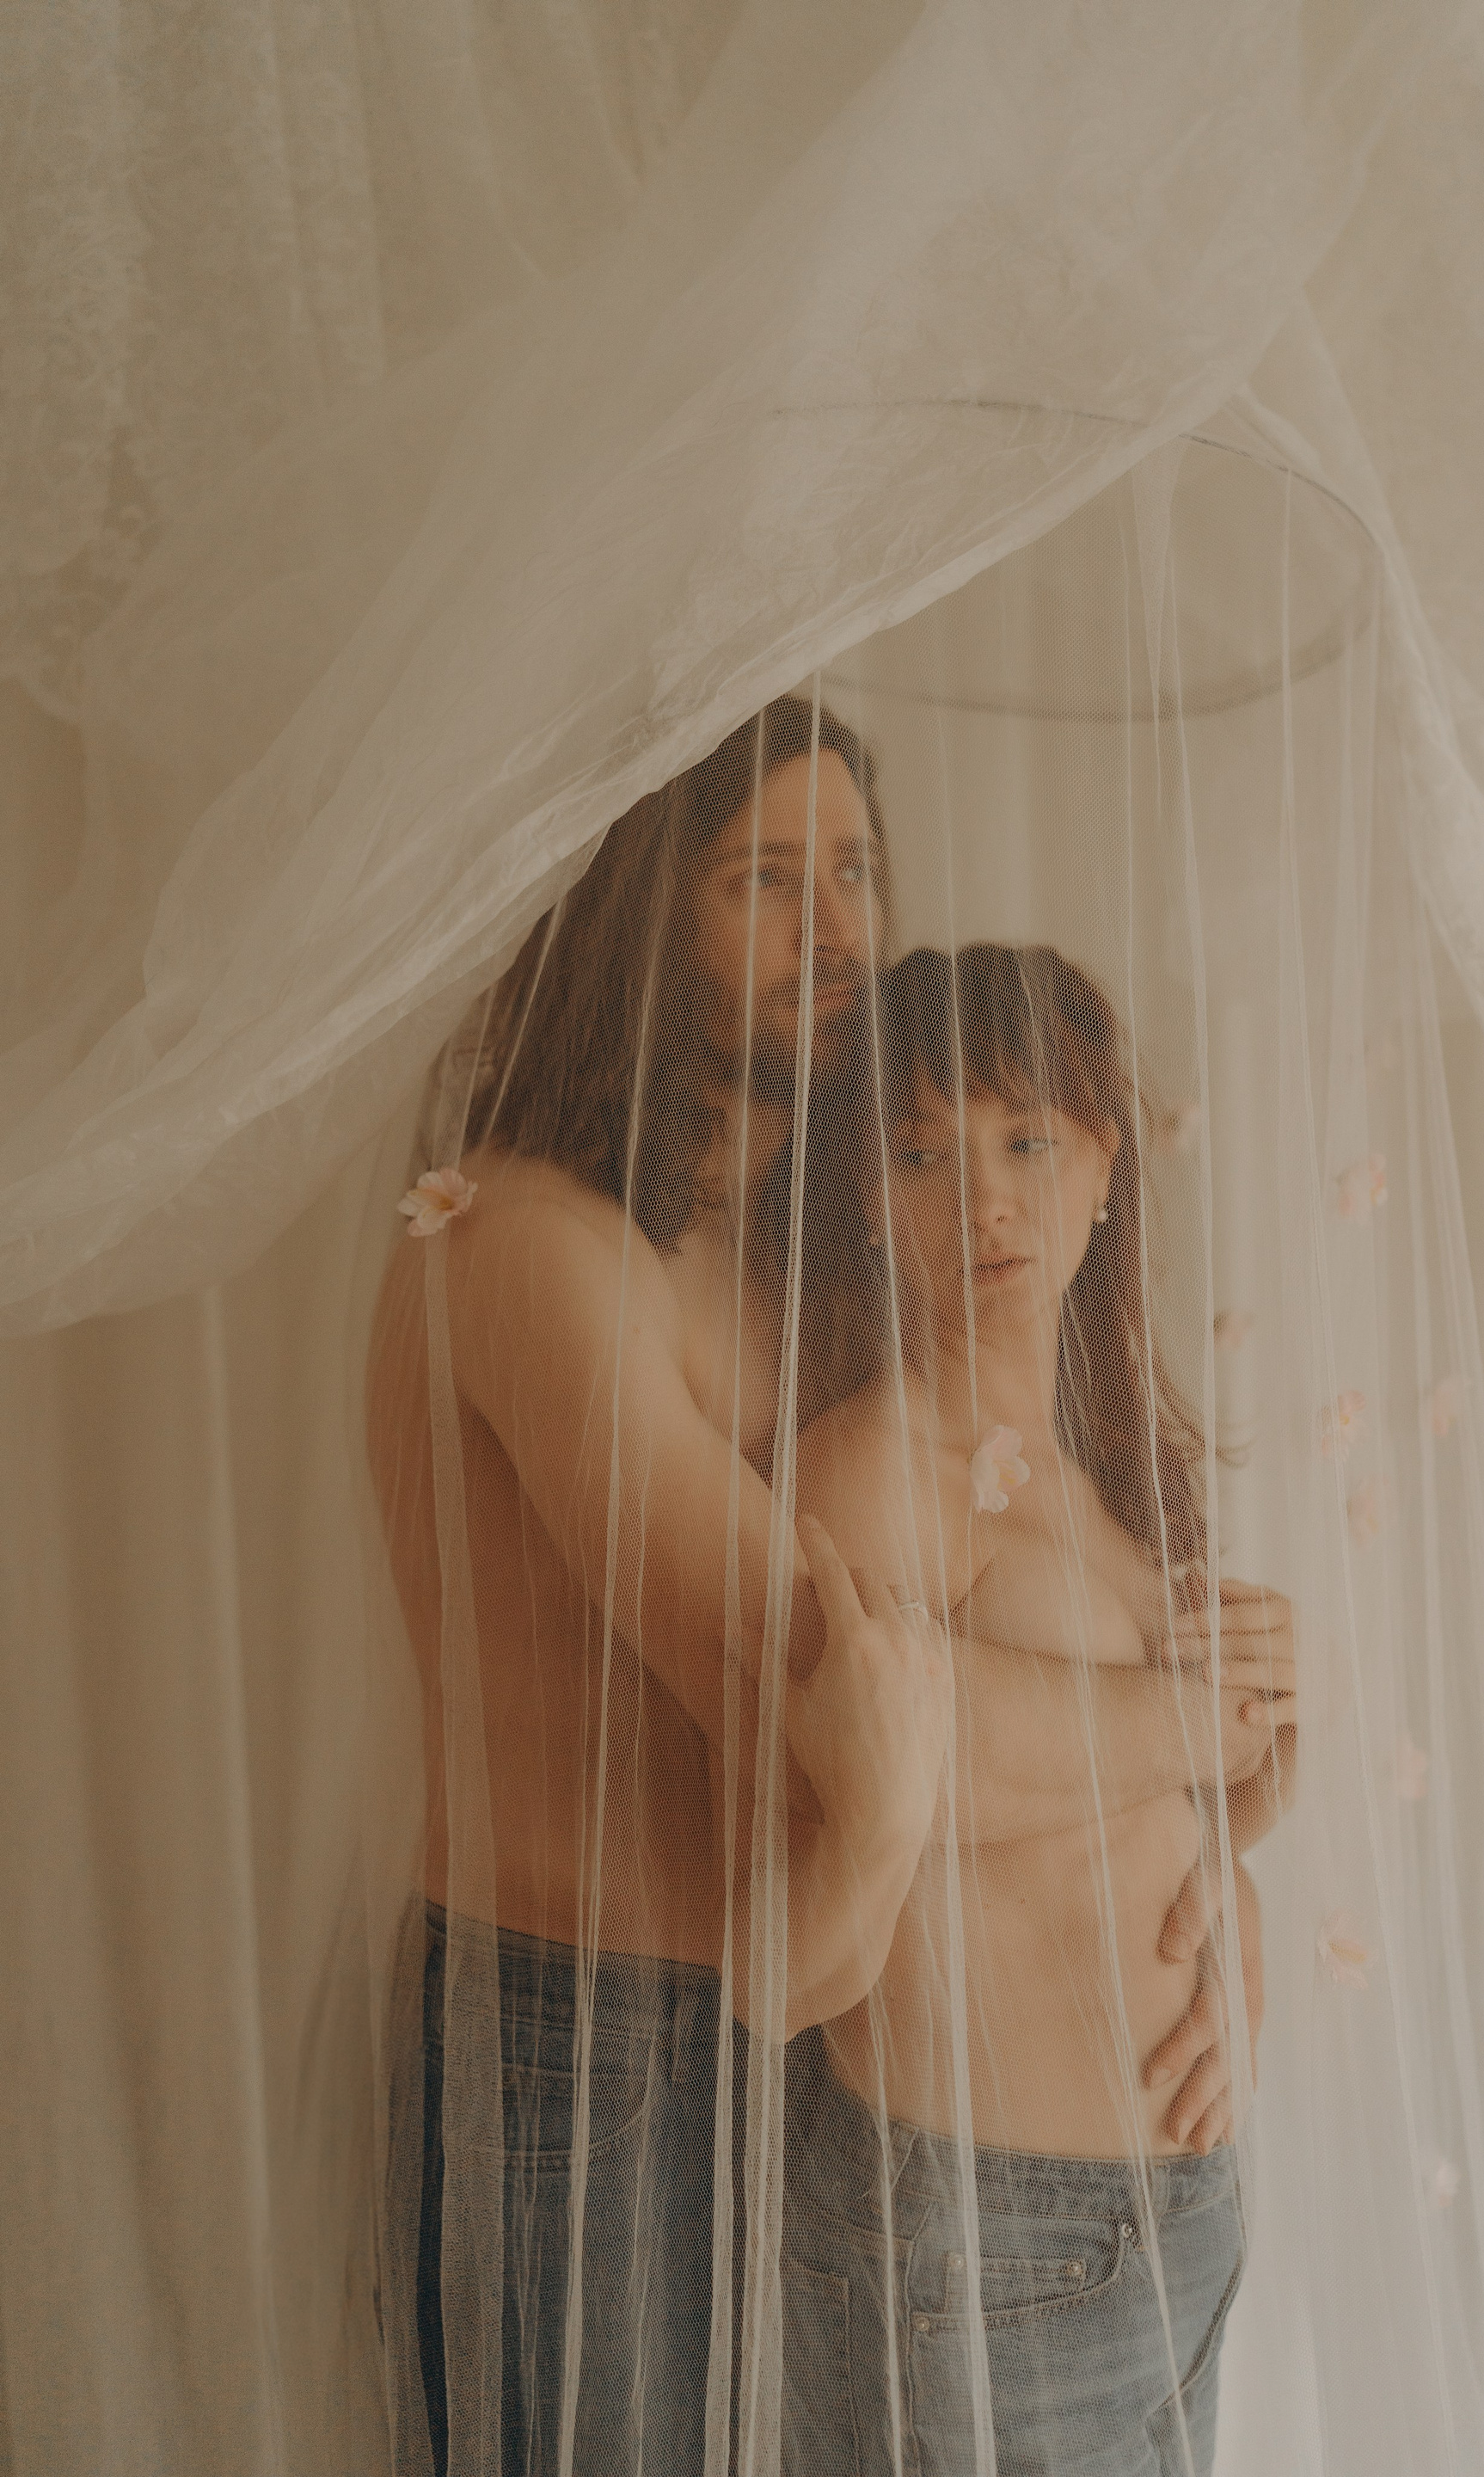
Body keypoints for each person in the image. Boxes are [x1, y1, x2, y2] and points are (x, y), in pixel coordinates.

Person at [366, 705, 1281, 2474]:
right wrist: (1209, 1720)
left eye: (855, 870)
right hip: (590, 2040)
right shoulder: (536, 1249)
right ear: (650, 915)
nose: (838, 927)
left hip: (800, 2035)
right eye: (767, 881)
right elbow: (839, 1688)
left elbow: (992, 1642)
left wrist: (1208, 1889)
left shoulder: (791, 1254)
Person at [784, 943, 1297, 2477]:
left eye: (1025, 1140)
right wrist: (1203, 1722)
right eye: (921, 1154)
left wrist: (1244, 1864)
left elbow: (1158, 1809)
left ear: (1104, 1167)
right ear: (868, 1199)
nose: (985, 1202)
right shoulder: (869, 1471)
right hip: (983, 2241)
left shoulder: (1107, 1469)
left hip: (1180, 2216)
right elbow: (905, 1781)